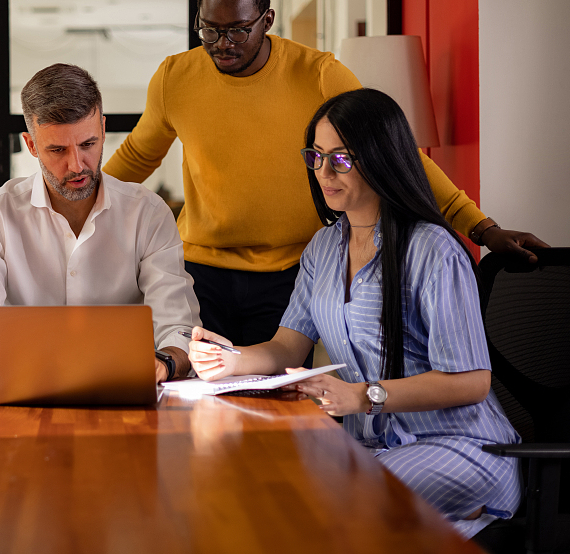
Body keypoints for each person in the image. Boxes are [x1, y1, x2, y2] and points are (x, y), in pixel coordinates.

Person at [103, 0, 547, 347]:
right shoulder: (175, 77)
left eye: (237, 30)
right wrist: (74, 203)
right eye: (210, 30)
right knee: (196, 402)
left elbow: (397, 158)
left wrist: (483, 229)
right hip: (201, 272)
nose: (223, 44)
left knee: (275, 406)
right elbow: (139, 157)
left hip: (293, 273)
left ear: (267, 19)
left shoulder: (319, 75)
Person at [187, 89, 521, 538]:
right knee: (266, 485)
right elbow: (288, 343)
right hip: (371, 447)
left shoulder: (432, 250)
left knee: (336, 502)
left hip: (461, 447)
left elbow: (472, 381)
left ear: (381, 159)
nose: (324, 172)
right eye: (316, 157)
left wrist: (365, 396)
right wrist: (232, 360)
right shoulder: (324, 248)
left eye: (341, 159)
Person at [0, 63, 201, 383]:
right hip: (24, 391)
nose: (77, 165)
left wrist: (163, 364)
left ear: (104, 129)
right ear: (31, 145)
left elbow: (178, 327)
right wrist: (18, 364)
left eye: (88, 144)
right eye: (57, 149)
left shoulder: (148, 214)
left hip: (126, 392)